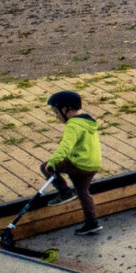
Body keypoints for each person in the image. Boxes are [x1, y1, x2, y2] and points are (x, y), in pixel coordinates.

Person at [40, 89, 103, 236]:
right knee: (82, 192)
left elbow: (65, 147)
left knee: (45, 167)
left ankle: (64, 192)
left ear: (65, 109)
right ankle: (91, 223)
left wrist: (53, 162)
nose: (56, 116)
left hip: (78, 163)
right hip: (92, 164)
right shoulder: (87, 121)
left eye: (56, 112)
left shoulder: (73, 126)